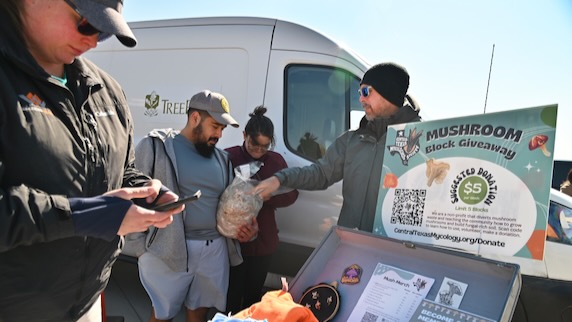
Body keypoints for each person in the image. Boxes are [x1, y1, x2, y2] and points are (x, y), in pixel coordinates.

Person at [0, 1, 183, 321]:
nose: (92, 40)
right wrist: (86, 216)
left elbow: (121, 169)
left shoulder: (107, 91)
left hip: (85, 302)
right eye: (86, 22)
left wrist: (144, 190)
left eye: (105, 32)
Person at [130, 90, 259, 322]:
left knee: (200, 315)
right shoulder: (156, 147)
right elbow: (133, 195)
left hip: (214, 251)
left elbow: (228, 208)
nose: (219, 134)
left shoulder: (222, 159)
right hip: (169, 249)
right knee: (162, 315)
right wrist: (140, 247)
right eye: (215, 126)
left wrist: (245, 230)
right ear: (195, 118)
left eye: (222, 129)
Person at [255, 63, 421, 232]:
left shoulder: (422, 142)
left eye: (366, 92)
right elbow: (320, 174)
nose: (361, 99)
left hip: (395, 251)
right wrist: (280, 179)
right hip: (351, 245)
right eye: (359, 93)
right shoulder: (351, 140)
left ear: (388, 92)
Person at [225, 106, 299, 313]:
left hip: (262, 243)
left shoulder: (275, 161)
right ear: (244, 136)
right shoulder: (228, 157)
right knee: (230, 295)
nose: (258, 151)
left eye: (264, 147)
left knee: (253, 297)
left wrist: (267, 197)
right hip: (232, 242)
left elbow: (292, 194)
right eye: (254, 145)